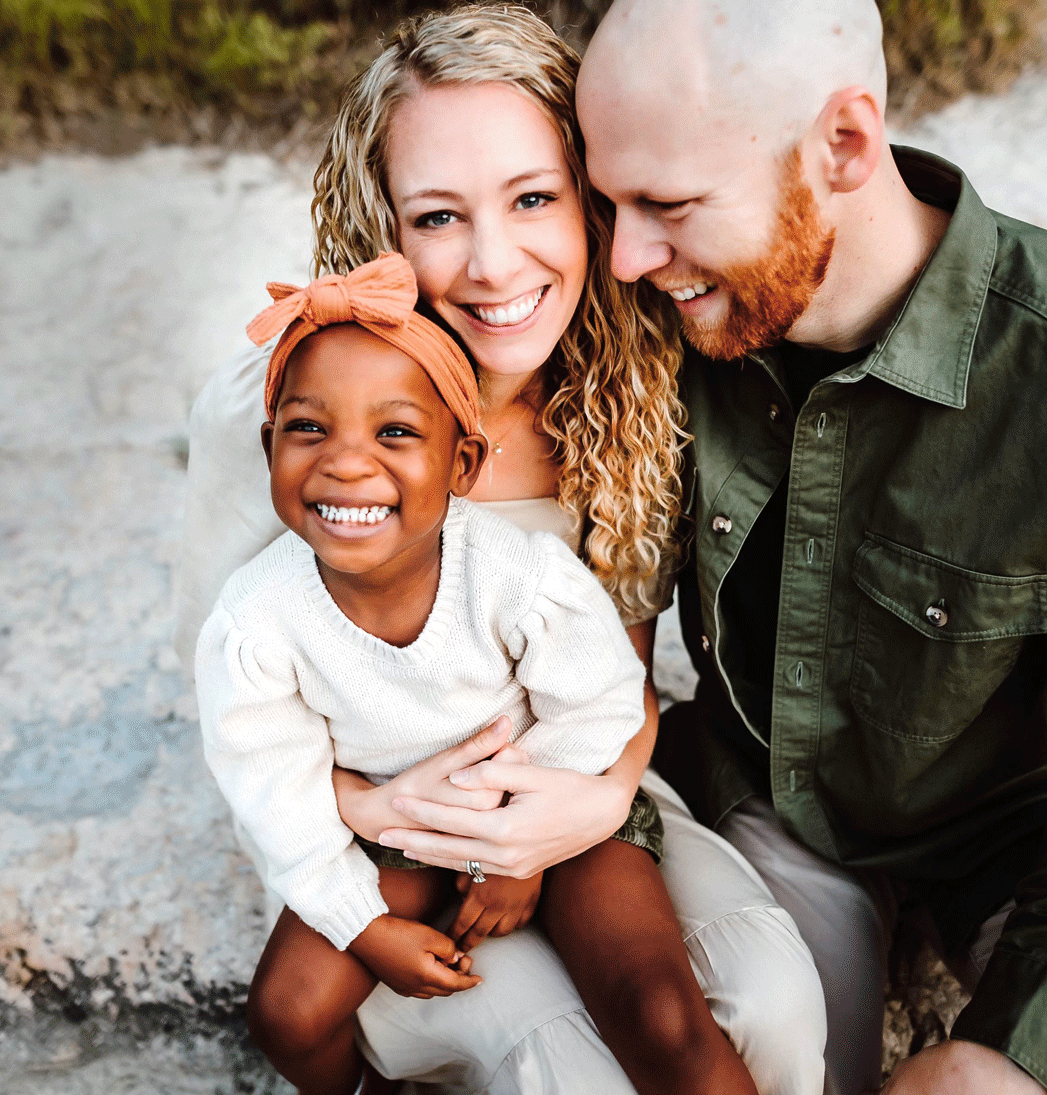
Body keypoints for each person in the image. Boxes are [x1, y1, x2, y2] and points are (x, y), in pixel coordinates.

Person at [175, 6, 827, 1095]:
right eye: (437, 215)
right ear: (380, 226)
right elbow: (239, 697)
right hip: (369, 814)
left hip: (571, 783)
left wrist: (588, 798)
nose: (492, 264)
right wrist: (377, 814)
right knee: (565, 1065)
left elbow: (612, 667)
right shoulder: (282, 417)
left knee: (762, 1004)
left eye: (533, 198)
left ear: (589, 197)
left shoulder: (629, 388)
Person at [572, 1, 1047, 1094]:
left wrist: (1002, 1056)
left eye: (670, 205)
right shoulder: (657, 314)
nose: (630, 256)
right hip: (771, 798)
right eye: (609, 202)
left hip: (1018, 841)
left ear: (843, 143)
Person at [198, 251, 766, 1095]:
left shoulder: (517, 575)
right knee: (287, 1008)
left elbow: (602, 700)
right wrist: (363, 926)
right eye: (309, 428)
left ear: (462, 464)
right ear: (268, 443)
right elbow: (273, 784)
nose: (346, 463)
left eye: (394, 432)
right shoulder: (256, 618)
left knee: (658, 1011)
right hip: (397, 827)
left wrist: (521, 847)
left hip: (554, 807)